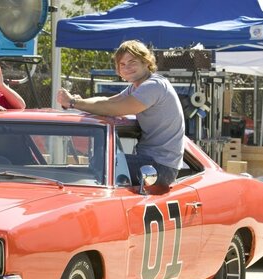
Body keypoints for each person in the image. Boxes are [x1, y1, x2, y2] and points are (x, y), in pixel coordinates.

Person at [57, 40, 185, 188]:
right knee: (101, 163)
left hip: (160, 168)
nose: (127, 67)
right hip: (153, 163)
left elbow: (117, 108)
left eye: (132, 62)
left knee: (101, 165)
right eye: (122, 64)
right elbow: (109, 100)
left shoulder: (153, 85)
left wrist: (74, 103)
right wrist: (81, 101)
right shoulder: (137, 86)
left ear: (146, 62)